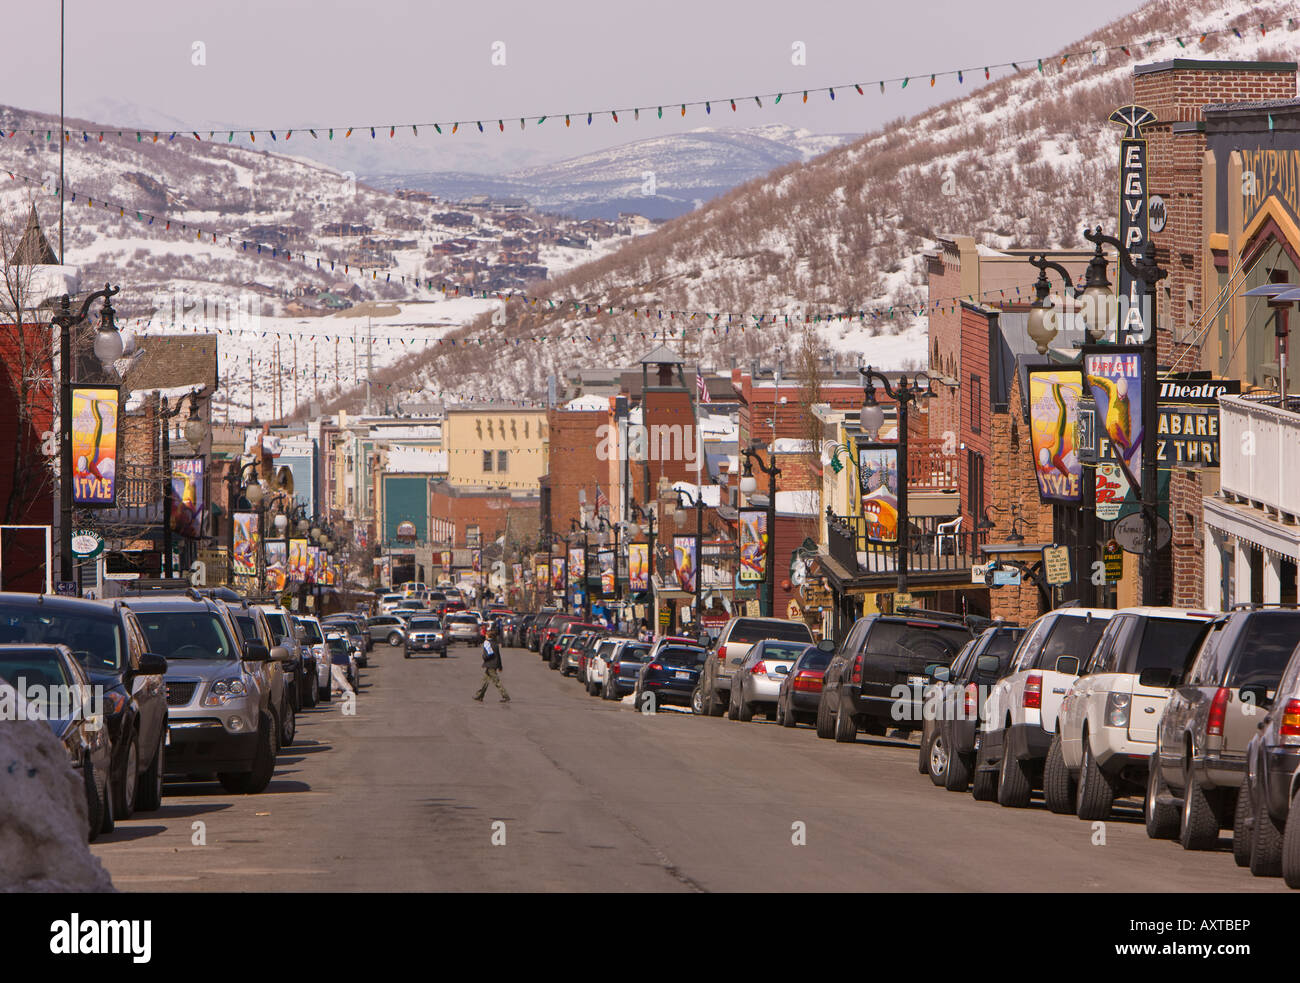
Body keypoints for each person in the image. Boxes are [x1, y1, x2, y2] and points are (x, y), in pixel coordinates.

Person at [473, 625, 511, 703]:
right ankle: (480, 695)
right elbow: (498, 656)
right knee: (485, 681)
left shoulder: (487, 643)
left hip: (490, 665)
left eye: (486, 635)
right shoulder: (495, 644)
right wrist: (500, 666)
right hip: (493, 665)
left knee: (496, 681)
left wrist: (484, 657)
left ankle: (505, 695)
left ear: (489, 636)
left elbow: (489, 654)